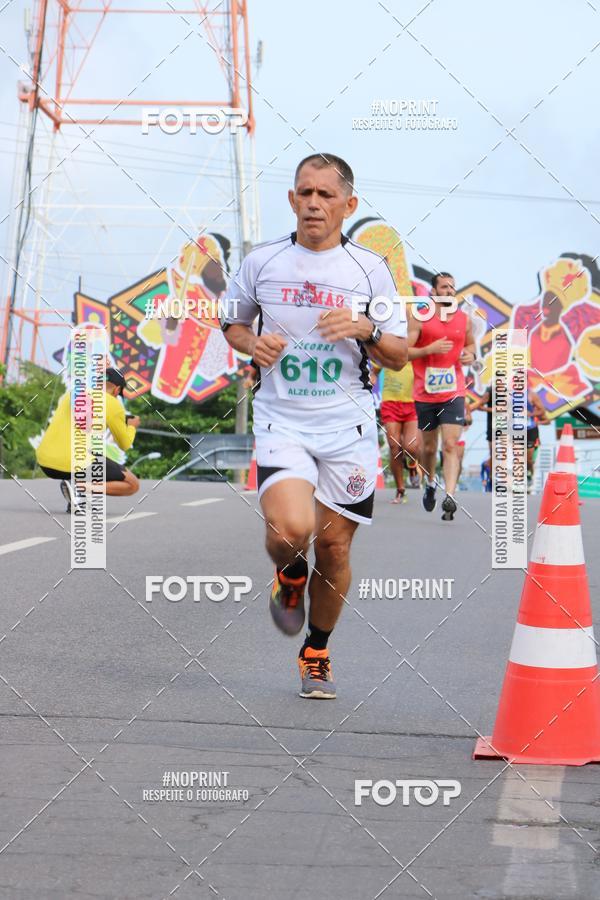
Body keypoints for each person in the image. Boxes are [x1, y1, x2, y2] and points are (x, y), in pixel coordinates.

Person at [221, 152, 407, 699]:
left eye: (326, 195)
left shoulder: (370, 270)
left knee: (335, 549)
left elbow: (398, 353)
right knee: (289, 532)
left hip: (348, 428)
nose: (314, 203)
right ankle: (289, 574)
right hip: (283, 420)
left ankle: (316, 650)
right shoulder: (262, 262)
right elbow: (233, 323)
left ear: (348, 204)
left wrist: (366, 328)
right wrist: (252, 343)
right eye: (305, 192)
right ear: (291, 199)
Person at [408, 273, 475, 521]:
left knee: (449, 445)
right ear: (433, 292)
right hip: (425, 394)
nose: (449, 291)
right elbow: (403, 352)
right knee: (428, 448)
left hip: (453, 392)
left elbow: (471, 346)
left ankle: (450, 496)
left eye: (452, 287)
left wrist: (470, 355)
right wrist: (429, 349)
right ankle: (429, 483)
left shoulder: (464, 319)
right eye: (444, 287)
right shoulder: (419, 317)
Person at [36, 367, 140, 511]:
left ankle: (79, 498)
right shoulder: (112, 403)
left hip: (44, 461)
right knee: (132, 484)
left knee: (89, 452)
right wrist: (132, 426)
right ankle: (80, 489)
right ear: (117, 390)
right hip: (70, 464)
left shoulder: (71, 394)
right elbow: (125, 444)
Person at [373, 359, 421, 502]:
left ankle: (412, 464)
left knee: (411, 447)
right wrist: (372, 377)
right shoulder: (389, 349)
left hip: (413, 402)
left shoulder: (418, 349)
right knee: (394, 447)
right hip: (390, 402)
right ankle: (400, 490)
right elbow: (375, 368)